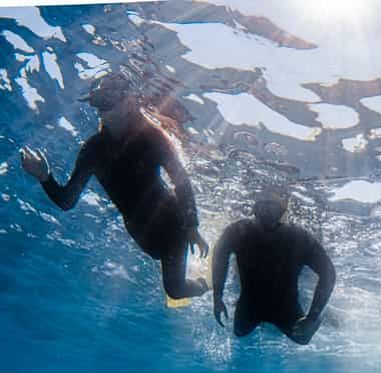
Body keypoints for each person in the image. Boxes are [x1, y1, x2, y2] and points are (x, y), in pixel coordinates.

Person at [19, 72, 210, 300]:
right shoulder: (93, 150)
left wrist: (192, 227)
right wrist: (44, 177)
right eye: (96, 102)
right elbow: (67, 201)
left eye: (107, 101)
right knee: (168, 277)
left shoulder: (153, 138)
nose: (101, 110)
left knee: (175, 291)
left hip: (172, 225)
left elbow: (182, 181)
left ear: (129, 101)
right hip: (142, 234)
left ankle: (204, 285)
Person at [212, 193, 336, 345]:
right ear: (255, 210)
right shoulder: (237, 231)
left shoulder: (299, 237)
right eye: (264, 207)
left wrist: (313, 316)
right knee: (239, 332)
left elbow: (328, 273)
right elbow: (219, 256)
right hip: (251, 303)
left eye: (272, 208)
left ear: (282, 212)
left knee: (303, 339)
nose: (267, 212)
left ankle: (321, 316)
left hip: (284, 305)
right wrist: (217, 296)